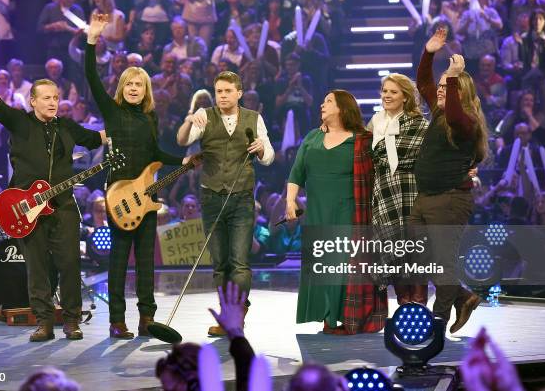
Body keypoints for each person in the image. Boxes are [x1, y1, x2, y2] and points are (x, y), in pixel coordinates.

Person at [0, 38, 106, 342]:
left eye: (55, 97)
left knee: (71, 263)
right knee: (37, 268)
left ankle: (72, 321)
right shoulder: (21, 123)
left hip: (62, 204)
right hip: (26, 207)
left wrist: (125, 127)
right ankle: (44, 322)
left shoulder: (67, 127)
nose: (52, 102)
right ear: (32, 100)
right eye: (45, 97)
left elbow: (97, 137)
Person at [86, 14, 196, 339]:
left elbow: (156, 156)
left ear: (146, 89)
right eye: (129, 84)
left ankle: (147, 318)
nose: (134, 88)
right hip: (118, 194)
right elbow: (91, 77)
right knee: (119, 259)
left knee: (146, 260)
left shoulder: (150, 118)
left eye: (139, 85)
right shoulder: (113, 111)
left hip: (147, 196)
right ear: (122, 88)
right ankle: (116, 320)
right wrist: (92, 40)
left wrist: (185, 160)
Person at [176, 71, 275, 336]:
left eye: (227, 91)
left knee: (239, 262)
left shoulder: (254, 119)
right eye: (218, 91)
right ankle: (226, 315)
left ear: (239, 93)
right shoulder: (205, 116)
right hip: (211, 196)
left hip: (242, 198)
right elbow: (182, 140)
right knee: (220, 263)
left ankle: (236, 315)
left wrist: (261, 148)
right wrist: (189, 120)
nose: (222, 96)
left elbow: (269, 156)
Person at [285, 90, 387, 334]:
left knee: (342, 264)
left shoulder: (363, 139)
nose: (322, 104)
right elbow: (297, 172)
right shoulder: (312, 138)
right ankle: (328, 317)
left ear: (342, 108)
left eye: (328, 101)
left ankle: (344, 317)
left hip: (349, 210)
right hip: (317, 210)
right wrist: (290, 200)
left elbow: (383, 168)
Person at [413, 28, 489, 334]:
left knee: (442, 263)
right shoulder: (441, 111)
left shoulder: (464, 121)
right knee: (418, 255)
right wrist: (429, 53)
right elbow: (423, 83)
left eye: (447, 87)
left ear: (461, 92)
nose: (440, 90)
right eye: (442, 87)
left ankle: (437, 323)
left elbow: (457, 115)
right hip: (426, 198)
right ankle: (462, 295)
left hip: (450, 199)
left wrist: (454, 76)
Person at [366, 74, 429, 305]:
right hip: (384, 192)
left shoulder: (419, 124)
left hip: (411, 191)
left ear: (405, 96)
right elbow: (362, 148)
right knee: (392, 251)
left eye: (393, 91)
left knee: (415, 251)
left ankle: (420, 304)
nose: (387, 95)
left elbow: (427, 157)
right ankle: (404, 304)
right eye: (384, 91)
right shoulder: (375, 122)